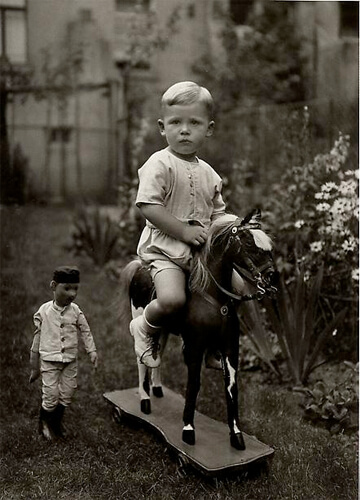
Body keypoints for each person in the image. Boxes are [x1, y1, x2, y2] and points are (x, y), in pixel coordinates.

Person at [130, 81, 227, 369]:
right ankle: (145, 327)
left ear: (208, 129)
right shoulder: (159, 164)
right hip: (165, 250)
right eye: (175, 122)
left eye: (194, 123)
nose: (184, 129)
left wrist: (223, 230)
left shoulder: (209, 173)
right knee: (172, 299)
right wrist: (184, 231)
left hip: (199, 255)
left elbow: (218, 213)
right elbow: (148, 206)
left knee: (225, 295)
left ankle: (208, 343)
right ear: (162, 127)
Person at [29, 266, 98, 440]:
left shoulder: (75, 311)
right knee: (51, 394)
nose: (72, 294)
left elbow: (85, 331)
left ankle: (55, 423)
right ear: (54, 286)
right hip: (49, 360)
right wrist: (34, 364)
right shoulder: (44, 311)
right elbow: (36, 339)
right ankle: (44, 424)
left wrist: (92, 350)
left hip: (69, 360)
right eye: (67, 288)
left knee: (67, 393)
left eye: (75, 289)